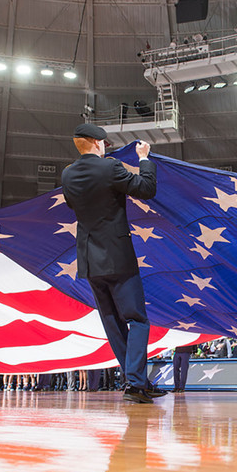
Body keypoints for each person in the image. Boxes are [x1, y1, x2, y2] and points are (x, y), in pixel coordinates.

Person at [61, 124, 159, 404]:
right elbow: (146, 189)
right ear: (96, 142)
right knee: (137, 319)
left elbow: (71, 204)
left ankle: (137, 381)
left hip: (90, 260)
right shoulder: (110, 168)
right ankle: (136, 383)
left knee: (112, 322)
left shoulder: (68, 173)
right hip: (117, 256)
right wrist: (144, 159)